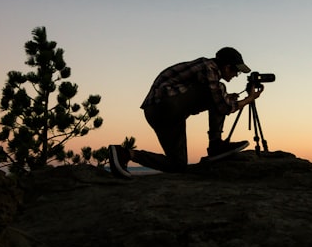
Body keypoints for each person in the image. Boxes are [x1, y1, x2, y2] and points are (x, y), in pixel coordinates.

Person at [108, 47, 264, 178]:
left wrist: (229, 98)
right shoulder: (209, 67)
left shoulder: (207, 71)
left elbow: (213, 100)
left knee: (178, 165)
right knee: (220, 93)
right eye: (236, 71)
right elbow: (222, 107)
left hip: (158, 112)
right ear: (227, 66)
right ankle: (215, 145)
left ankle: (125, 154)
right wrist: (249, 99)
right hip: (166, 104)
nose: (235, 75)